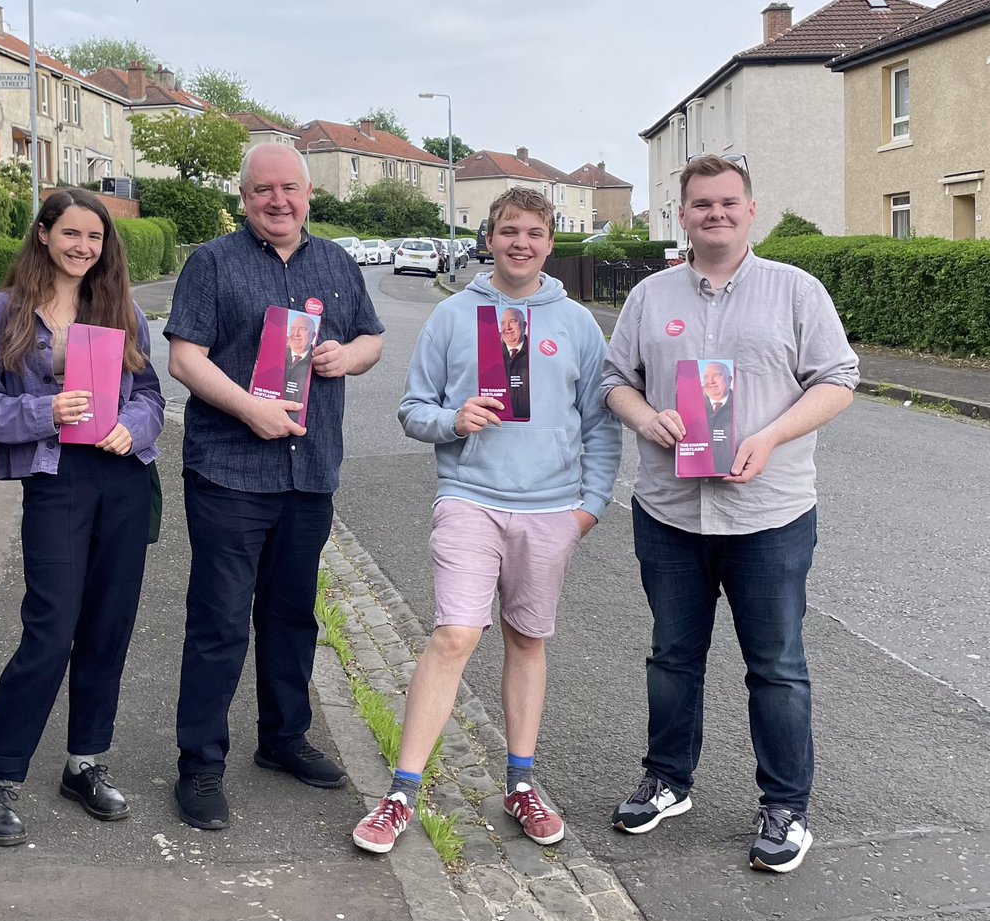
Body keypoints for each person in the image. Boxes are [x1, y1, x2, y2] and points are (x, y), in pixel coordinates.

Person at [601, 155, 859, 874]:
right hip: (670, 512)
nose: (714, 213)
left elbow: (838, 378)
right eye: (701, 204)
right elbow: (615, 379)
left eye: (727, 202)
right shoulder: (651, 297)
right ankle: (667, 780)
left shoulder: (796, 291)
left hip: (768, 515)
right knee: (672, 655)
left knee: (776, 666)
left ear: (751, 210)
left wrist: (771, 434)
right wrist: (646, 416)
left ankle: (786, 806)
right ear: (681, 214)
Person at [352, 188, 621, 854]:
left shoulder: (579, 324)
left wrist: (589, 507)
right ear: (489, 238)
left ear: (550, 242)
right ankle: (401, 794)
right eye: (508, 231)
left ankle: (522, 784)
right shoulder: (451, 316)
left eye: (533, 232)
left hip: (551, 510)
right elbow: (413, 409)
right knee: (454, 636)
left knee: (527, 639)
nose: (520, 243)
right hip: (469, 496)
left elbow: (602, 424)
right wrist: (454, 419)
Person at [165, 143, 384, 830]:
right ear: (245, 197)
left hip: (309, 473)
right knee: (220, 622)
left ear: (309, 192)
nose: (277, 200)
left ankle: (283, 739)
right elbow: (184, 357)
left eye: (289, 188)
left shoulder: (337, 263)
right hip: (228, 470)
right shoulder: (212, 263)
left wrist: (348, 355)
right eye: (263, 190)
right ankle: (199, 764)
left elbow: (372, 339)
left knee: (292, 616)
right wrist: (248, 407)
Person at [0, 188, 165, 846]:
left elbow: (153, 393)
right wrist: (44, 412)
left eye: (94, 238)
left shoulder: (122, 308)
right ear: (43, 233)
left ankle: (84, 762)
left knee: (109, 625)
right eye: (71, 233)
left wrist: (133, 426)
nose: (83, 247)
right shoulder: (4, 312)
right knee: (49, 629)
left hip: (123, 477)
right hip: (56, 480)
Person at [702, 361, 734, 474]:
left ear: (729, 380)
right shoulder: (694, 407)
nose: (710, 381)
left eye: (716, 375)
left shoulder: (743, 405)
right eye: (706, 377)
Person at [282, 312, 317, 417]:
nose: (295, 334)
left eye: (302, 329)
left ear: (313, 335)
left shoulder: (319, 359)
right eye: (292, 329)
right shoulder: (276, 355)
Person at [500, 306, 530, 419]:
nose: (507, 327)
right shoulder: (491, 355)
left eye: (512, 321)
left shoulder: (537, 353)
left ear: (524, 326)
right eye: (503, 323)